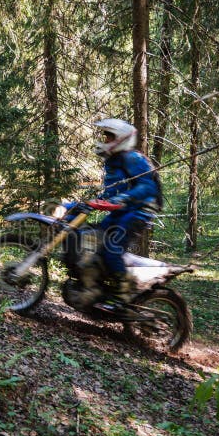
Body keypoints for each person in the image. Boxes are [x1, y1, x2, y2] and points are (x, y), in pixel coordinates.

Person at [68, 118, 162, 306]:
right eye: (105, 136)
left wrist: (123, 198)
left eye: (109, 137)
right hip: (122, 210)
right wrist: (82, 204)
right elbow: (111, 192)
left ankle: (123, 290)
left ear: (121, 139)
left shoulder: (133, 158)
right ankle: (96, 285)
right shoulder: (113, 161)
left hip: (140, 211)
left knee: (111, 249)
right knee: (94, 242)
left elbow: (148, 187)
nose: (105, 140)